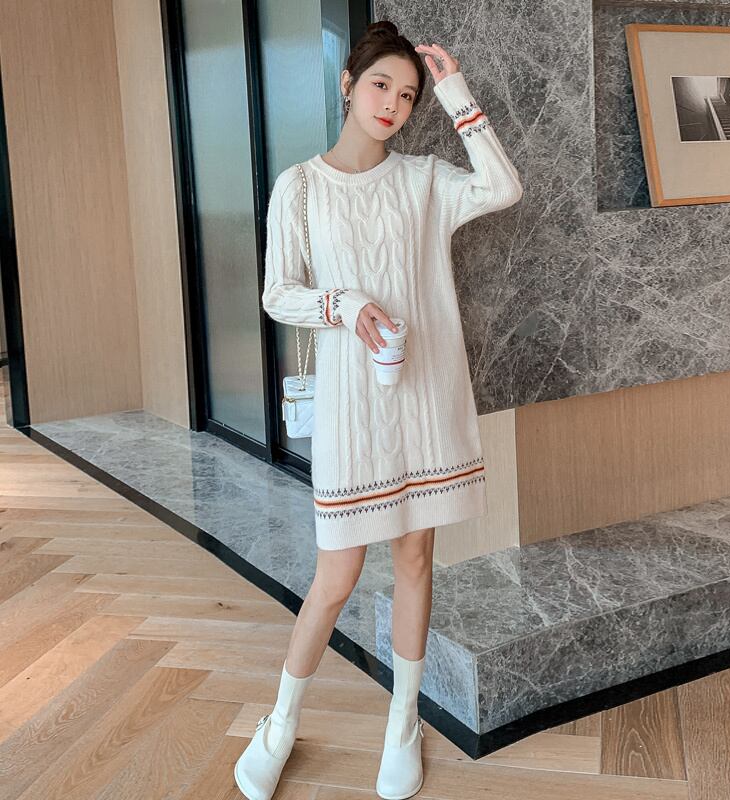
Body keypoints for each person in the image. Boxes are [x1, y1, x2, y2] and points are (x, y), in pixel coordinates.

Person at [234, 19, 523, 800]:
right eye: (379, 85)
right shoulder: (300, 187)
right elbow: (277, 293)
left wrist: (455, 91)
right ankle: (280, 724)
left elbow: (502, 187)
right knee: (336, 573)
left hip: (425, 398)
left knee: (415, 560)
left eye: (408, 93)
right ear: (347, 85)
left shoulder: (424, 180)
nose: (392, 103)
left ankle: (403, 723)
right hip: (351, 409)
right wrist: (344, 303)